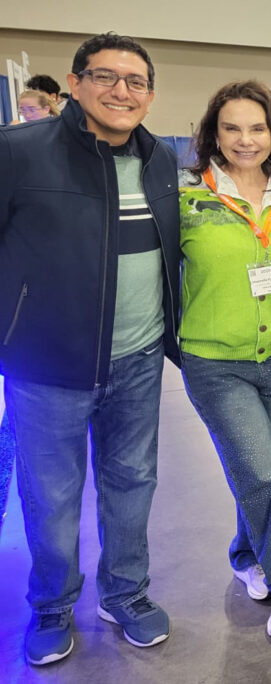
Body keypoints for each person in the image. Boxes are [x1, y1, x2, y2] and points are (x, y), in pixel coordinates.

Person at [0, 32, 181, 665]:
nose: (121, 91)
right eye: (105, 76)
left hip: (138, 359)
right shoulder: (18, 152)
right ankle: (52, 604)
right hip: (47, 364)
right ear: (75, 84)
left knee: (132, 481)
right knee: (51, 494)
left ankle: (125, 592)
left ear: (150, 96)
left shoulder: (160, 159)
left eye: (136, 82)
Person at [178, 80, 271, 638]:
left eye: (257, 128)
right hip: (216, 363)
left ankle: (245, 554)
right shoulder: (188, 198)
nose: (245, 139)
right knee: (259, 468)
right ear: (213, 133)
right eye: (231, 128)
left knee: (262, 470)